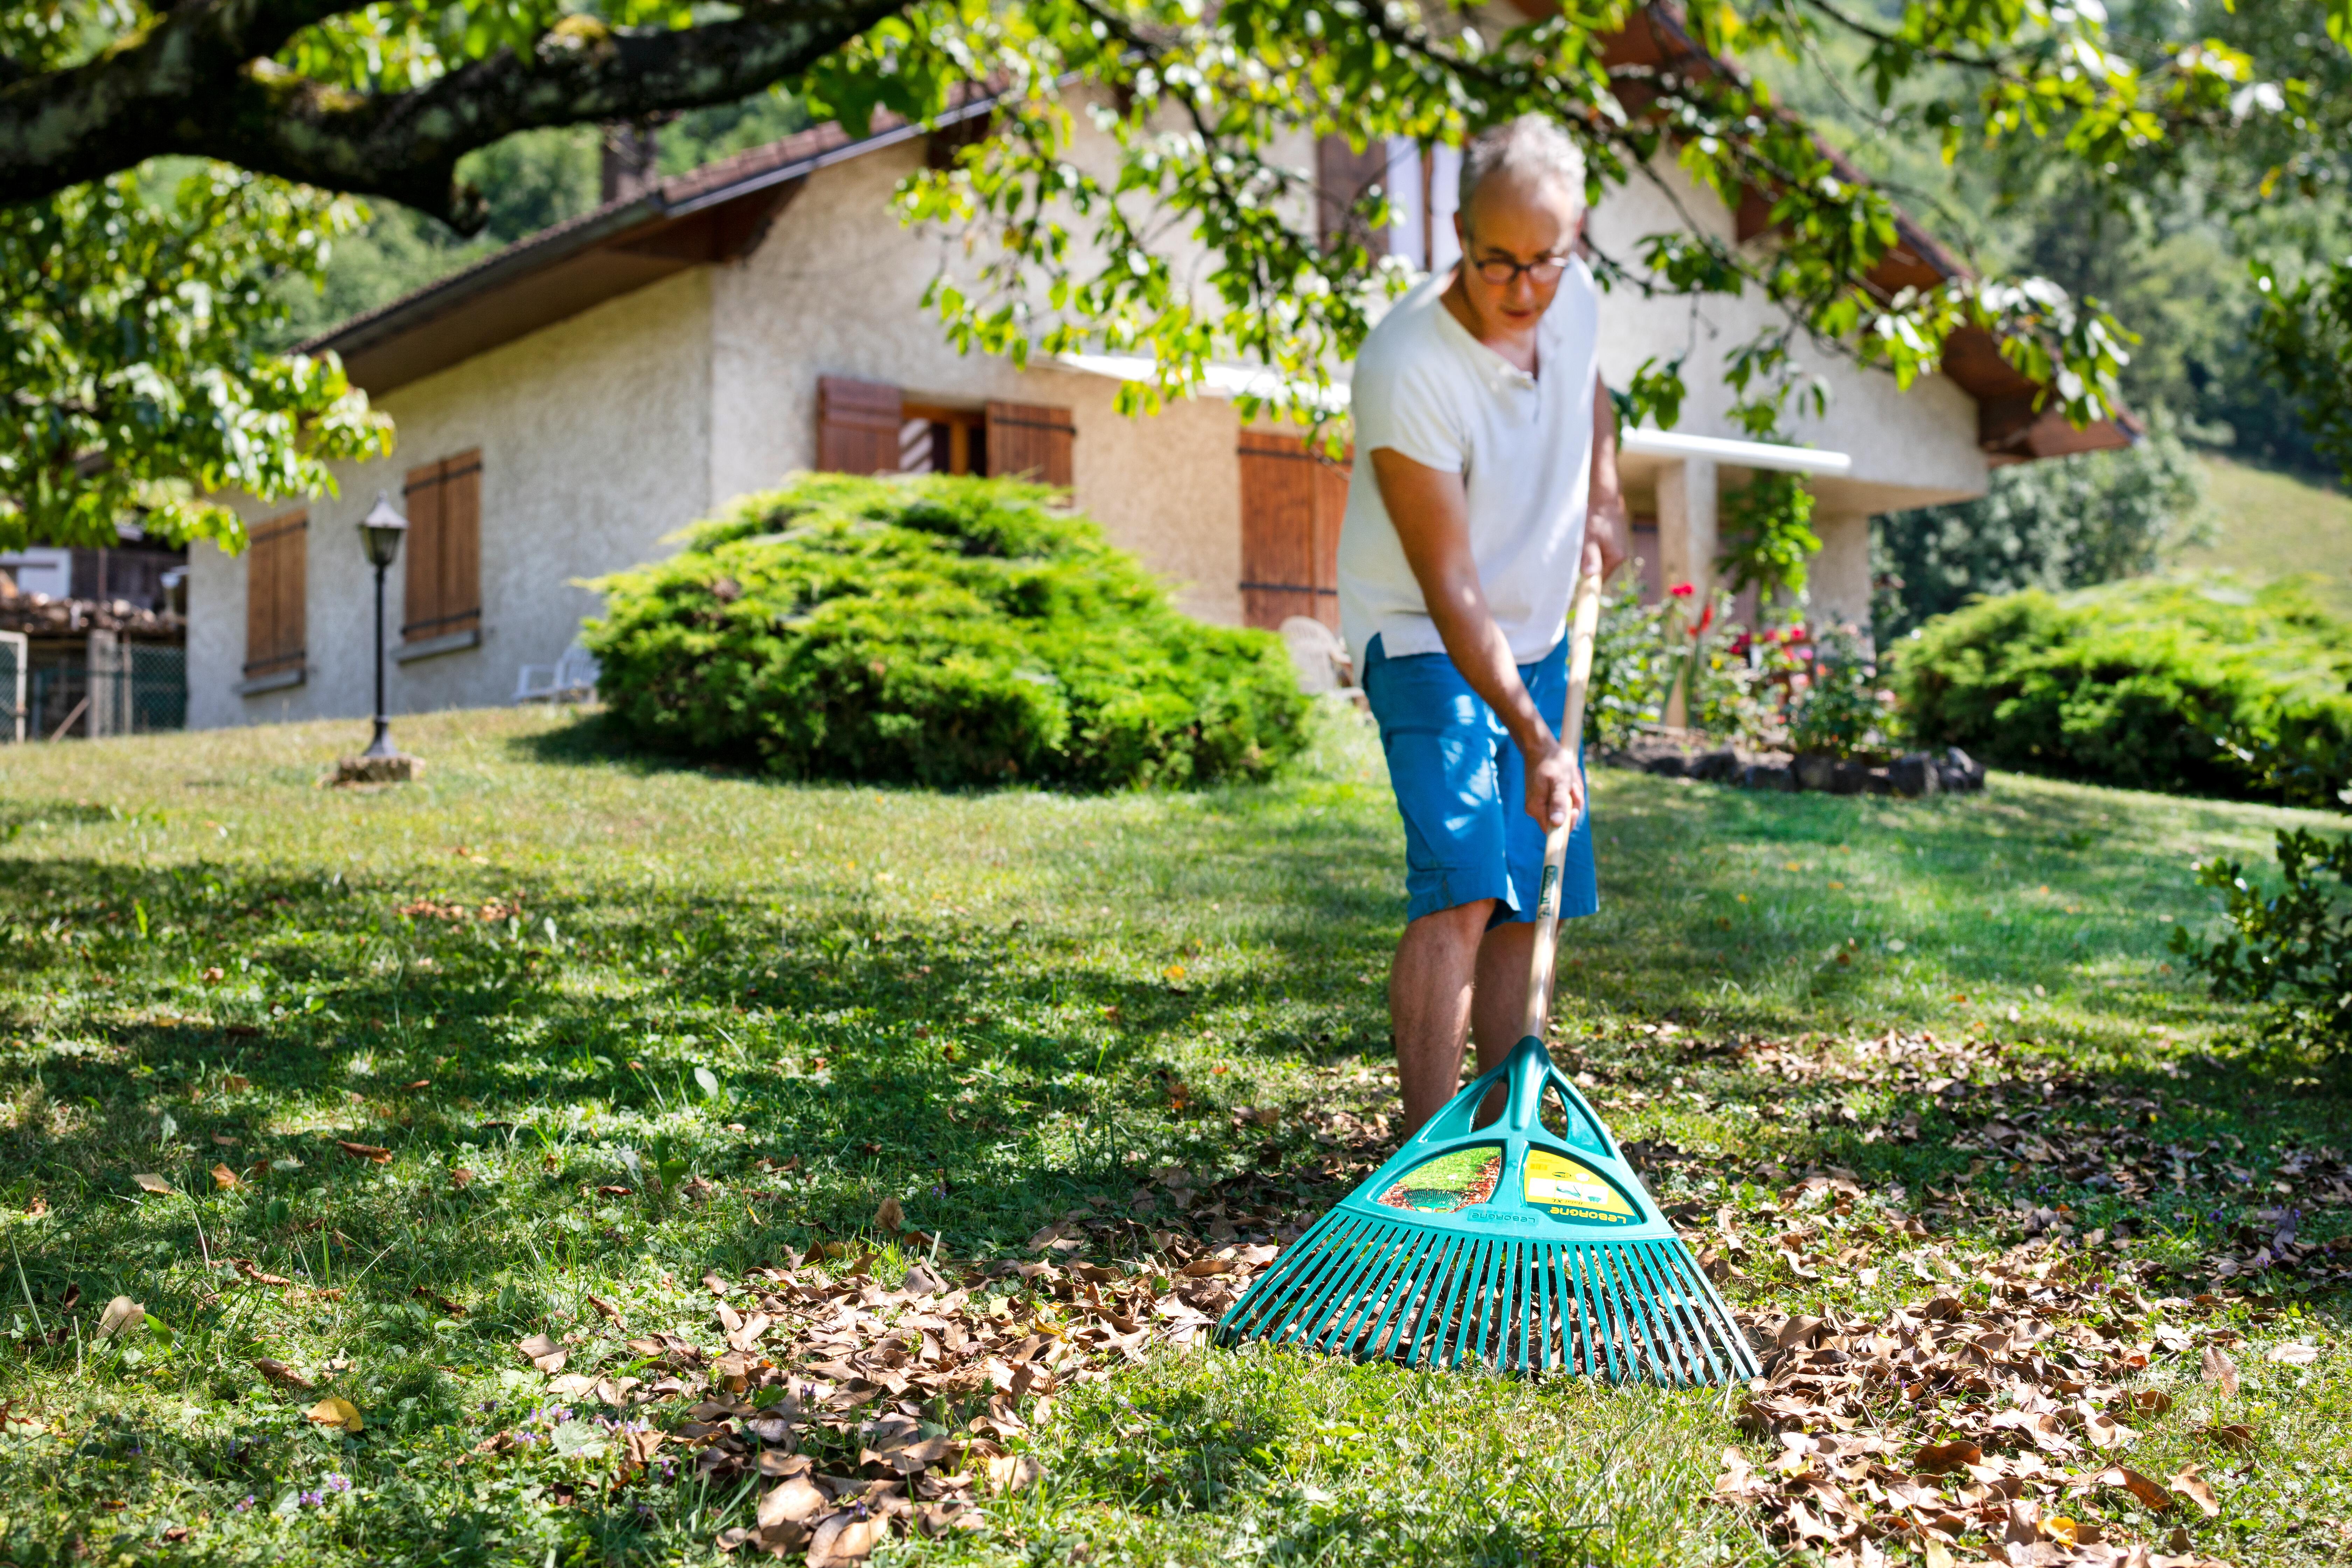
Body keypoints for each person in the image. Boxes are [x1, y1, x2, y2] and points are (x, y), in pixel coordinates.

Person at [1336, 114, 1630, 1136]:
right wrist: (1538, 738)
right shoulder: (1409, 365)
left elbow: (1589, 386)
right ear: (1456, 229)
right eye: (1491, 259)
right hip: (1424, 630)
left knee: (1529, 886)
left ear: (1576, 241)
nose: (1520, 288)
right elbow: (1450, 585)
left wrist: (1604, 493)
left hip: (1540, 629)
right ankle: (1426, 1159)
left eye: (1543, 261)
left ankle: (1507, 1141)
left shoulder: (1577, 298)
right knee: (1465, 880)